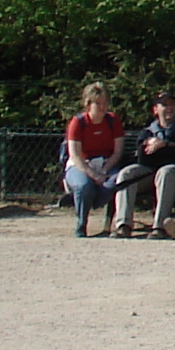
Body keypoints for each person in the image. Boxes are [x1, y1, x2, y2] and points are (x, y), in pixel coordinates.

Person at [113, 93, 175, 240]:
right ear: (155, 110)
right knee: (126, 174)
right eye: (164, 105)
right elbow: (141, 156)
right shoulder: (148, 132)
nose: (169, 108)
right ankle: (123, 225)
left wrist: (166, 144)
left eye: (172, 104)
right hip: (149, 170)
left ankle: (159, 226)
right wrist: (148, 145)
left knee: (165, 172)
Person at [61, 83, 126, 239]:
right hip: (81, 164)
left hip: (105, 163)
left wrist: (104, 170)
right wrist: (93, 174)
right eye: (98, 103)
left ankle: (111, 223)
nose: (102, 107)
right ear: (88, 104)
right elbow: (75, 155)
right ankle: (81, 225)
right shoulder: (78, 123)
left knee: (117, 182)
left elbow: (117, 152)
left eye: (105, 103)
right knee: (84, 185)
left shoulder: (113, 121)